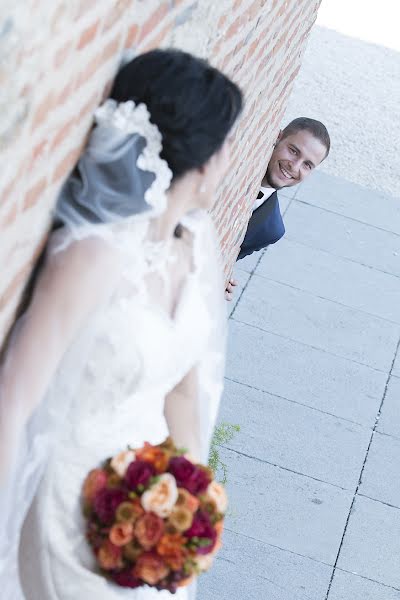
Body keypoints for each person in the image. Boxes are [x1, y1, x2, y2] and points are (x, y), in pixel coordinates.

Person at [0, 49, 243, 599]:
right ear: (204, 155)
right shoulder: (95, 255)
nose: (230, 159)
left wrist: (192, 502)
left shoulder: (198, 246)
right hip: (70, 501)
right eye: (228, 142)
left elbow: (182, 393)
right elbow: (12, 400)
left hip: (155, 506)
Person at [225, 117, 330, 300]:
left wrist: (221, 280)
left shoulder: (271, 230)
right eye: (293, 151)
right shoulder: (228, 164)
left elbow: (223, 260)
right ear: (278, 137)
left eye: (307, 165)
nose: (295, 166)